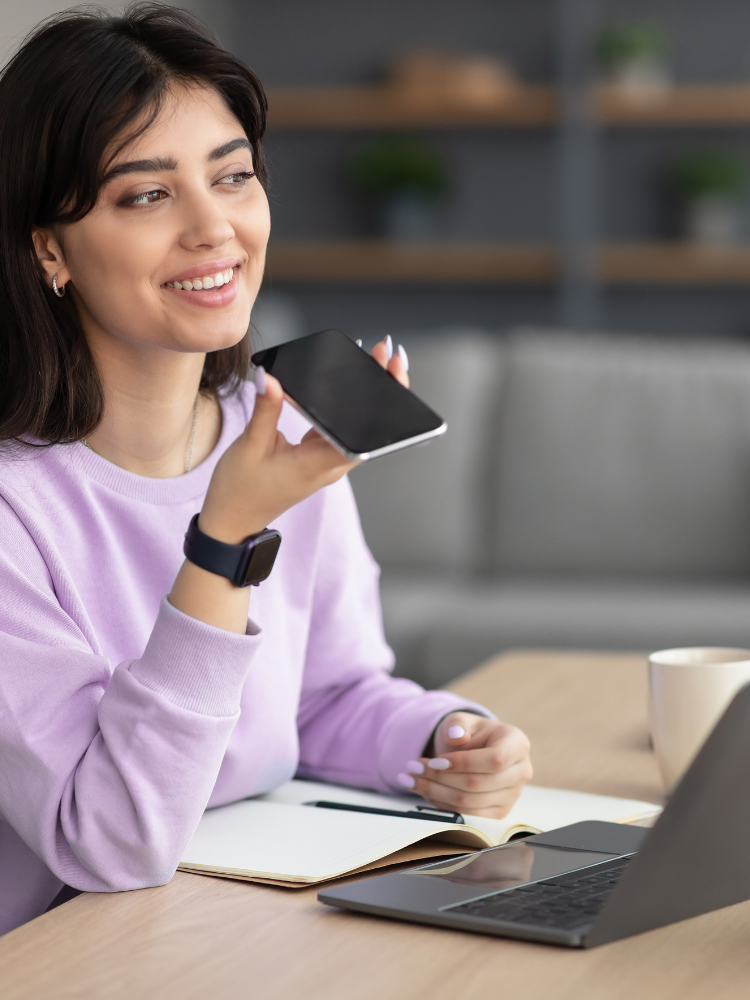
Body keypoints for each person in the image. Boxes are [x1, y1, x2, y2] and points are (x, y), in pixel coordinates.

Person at [0, 3, 532, 935]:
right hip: (73, 949)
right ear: (49, 248)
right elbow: (108, 839)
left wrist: (442, 737)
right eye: (147, 194)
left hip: (237, 917)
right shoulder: (18, 508)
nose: (217, 229)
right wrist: (222, 545)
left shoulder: (274, 429)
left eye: (234, 176)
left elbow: (325, 696)